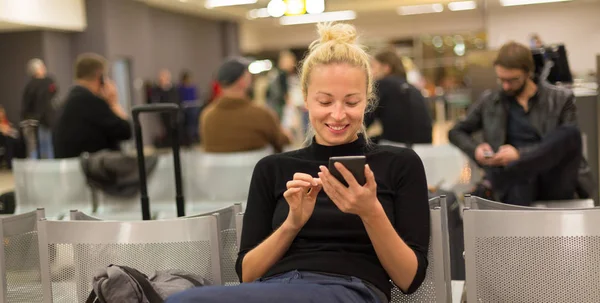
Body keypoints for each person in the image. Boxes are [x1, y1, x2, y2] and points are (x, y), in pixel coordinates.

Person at [168, 22, 430, 303]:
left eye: (351, 102)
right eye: (325, 102)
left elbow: (408, 279)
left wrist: (370, 212)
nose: (338, 115)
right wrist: (292, 222)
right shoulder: (272, 169)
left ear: (367, 101)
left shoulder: (399, 164)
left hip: (352, 290)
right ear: (305, 99)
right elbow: (247, 273)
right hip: (274, 288)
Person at [448, 41, 595, 206]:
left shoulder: (561, 99)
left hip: (552, 177)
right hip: (516, 181)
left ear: (528, 73)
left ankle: (499, 178)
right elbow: (455, 132)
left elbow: (564, 146)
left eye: (512, 80)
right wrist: (476, 149)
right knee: (520, 177)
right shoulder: (490, 101)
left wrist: (520, 155)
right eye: (501, 80)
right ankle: (506, 176)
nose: (505, 86)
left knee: (570, 134)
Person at [200, 57, 292, 153]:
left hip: (219, 168)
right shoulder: (262, 115)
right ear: (243, 81)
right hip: (254, 167)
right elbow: (284, 142)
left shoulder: (206, 117)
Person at [53, 53, 131, 159]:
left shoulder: (66, 102)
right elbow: (126, 131)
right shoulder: (90, 101)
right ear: (101, 78)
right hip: (92, 171)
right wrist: (113, 102)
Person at [366, 48, 432, 145]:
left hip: (399, 146)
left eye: (373, 67)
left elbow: (366, 118)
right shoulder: (413, 88)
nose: (371, 72)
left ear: (386, 68)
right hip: (424, 147)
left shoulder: (382, 84)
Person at [21, 58, 58, 159]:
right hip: (43, 120)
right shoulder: (47, 82)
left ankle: (36, 170)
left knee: (35, 148)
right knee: (46, 147)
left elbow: (26, 105)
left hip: (34, 120)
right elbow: (53, 93)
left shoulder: (29, 86)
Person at [152, 69, 183, 147]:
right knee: (167, 130)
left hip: (174, 114)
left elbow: (177, 100)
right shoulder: (158, 89)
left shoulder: (174, 89)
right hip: (164, 114)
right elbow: (155, 99)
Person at [179, 71, 200, 144]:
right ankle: (189, 137)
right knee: (188, 123)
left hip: (193, 107)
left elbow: (195, 97)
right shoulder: (181, 88)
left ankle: (195, 136)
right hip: (185, 108)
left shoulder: (193, 87)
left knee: (195, 119)